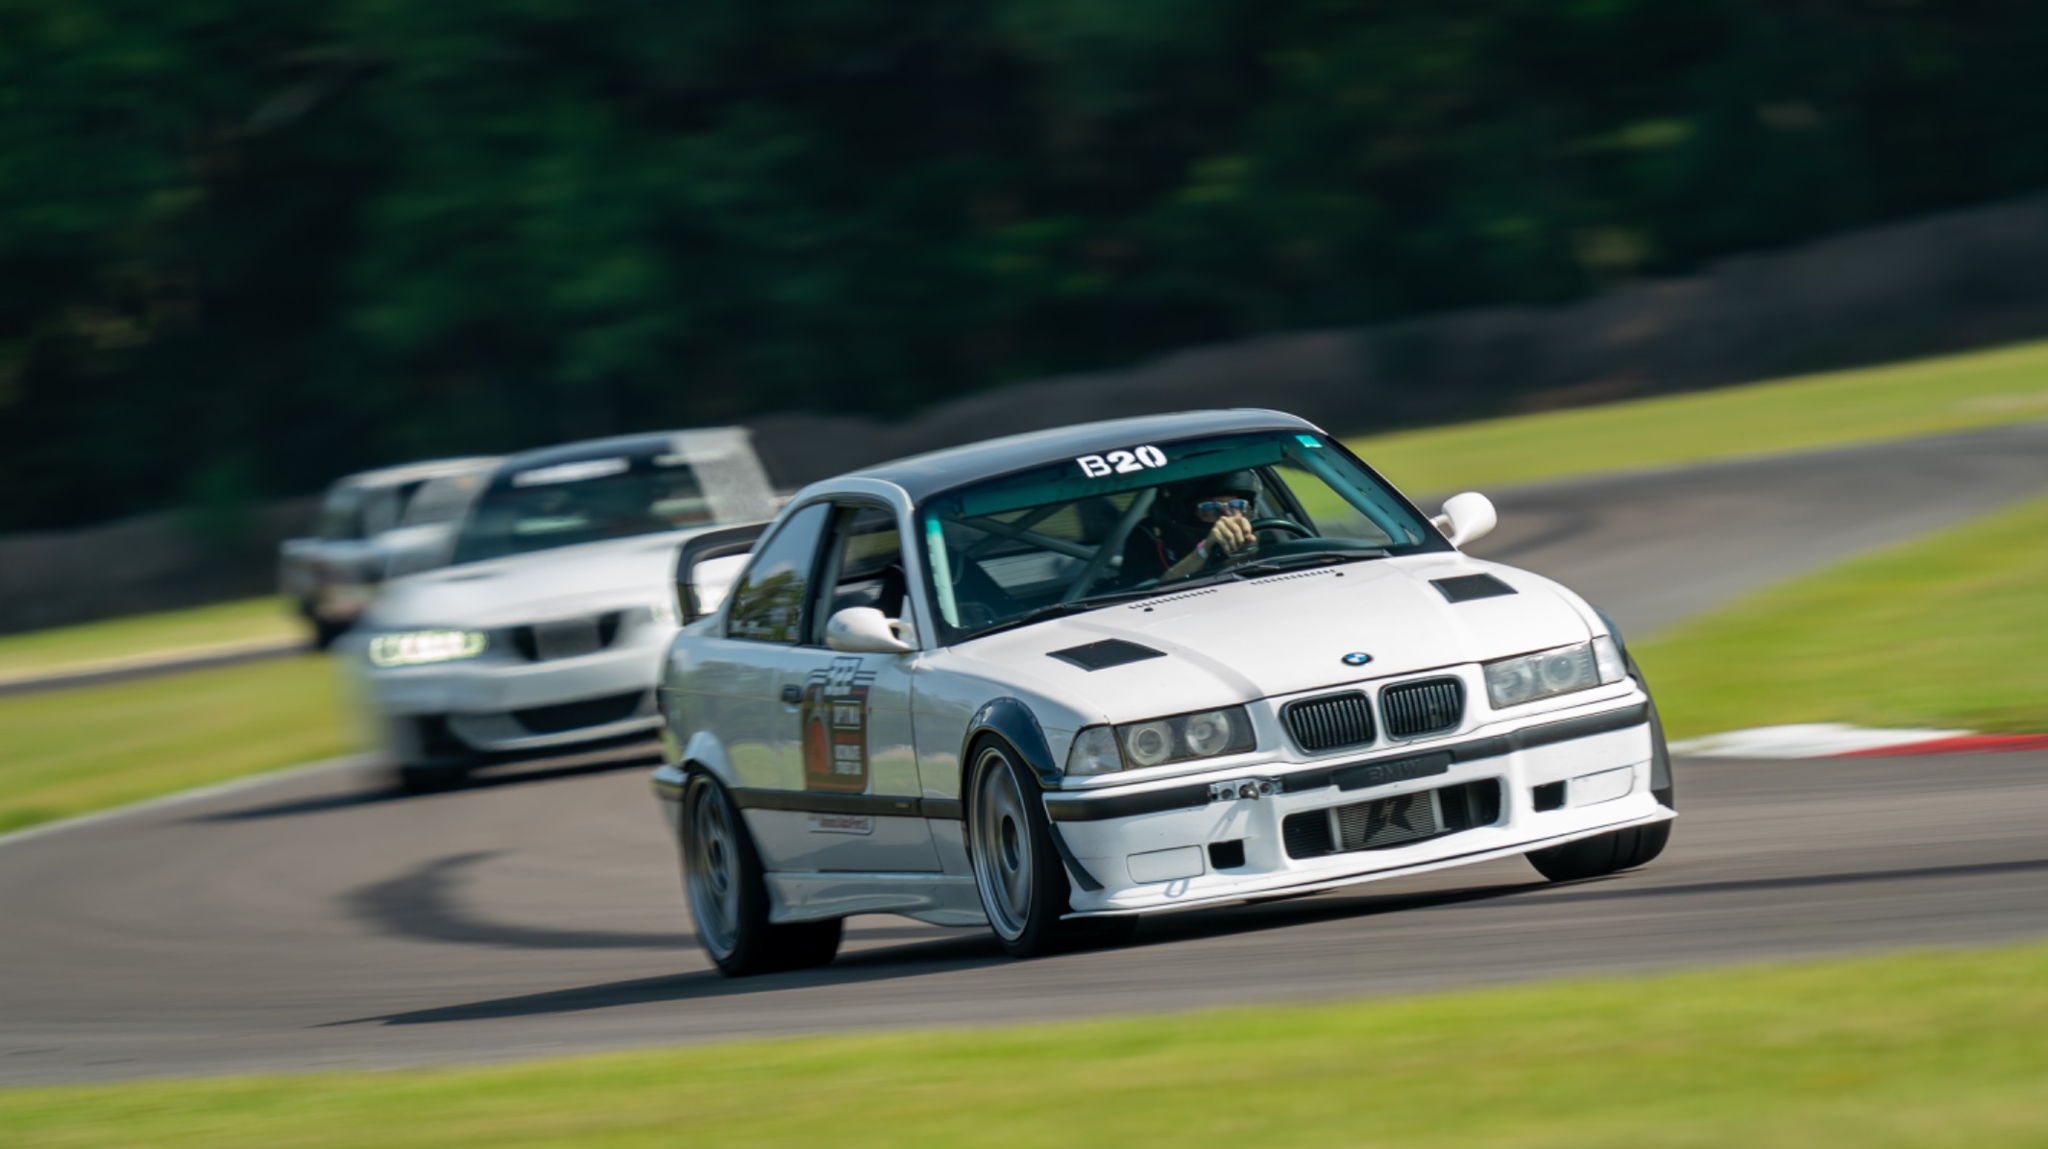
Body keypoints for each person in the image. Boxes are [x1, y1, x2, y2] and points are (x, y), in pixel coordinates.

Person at [1119, 470, 1263, 585]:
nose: (1226, 517)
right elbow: (1147, 597)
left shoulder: (1264, 532)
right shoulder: (1147, 538)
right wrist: (1204, 550)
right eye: (1210, 508)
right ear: (1185, 514)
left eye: (1237, 505)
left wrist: (1251, 548)